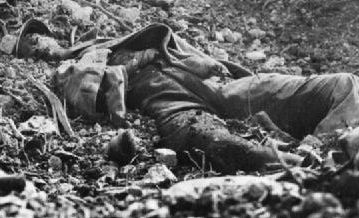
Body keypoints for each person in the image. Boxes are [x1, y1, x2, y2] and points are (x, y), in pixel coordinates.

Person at [18, 21, 359, 173]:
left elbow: (168, 42)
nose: (41, 43)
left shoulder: (108, 39)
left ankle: (330, 150)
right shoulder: (70, 67)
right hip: (163, 96)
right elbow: (87, 97)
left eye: (40, 36)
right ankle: (311, 170)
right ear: (33, 55)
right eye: (32, 44)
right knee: (201, 138)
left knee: (345, 84)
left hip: (217, 83)